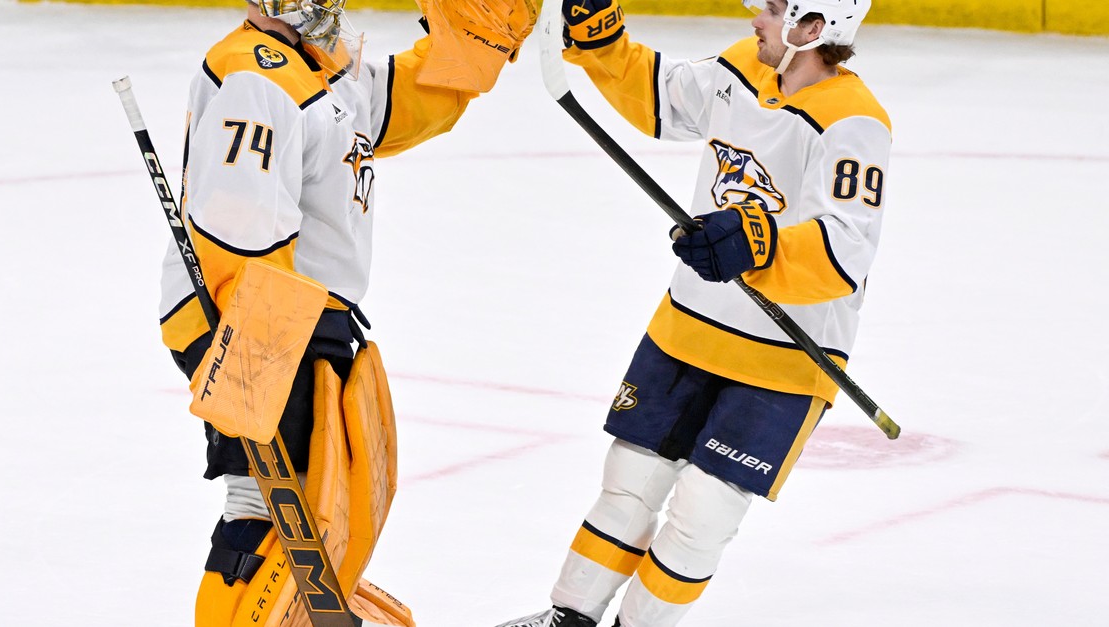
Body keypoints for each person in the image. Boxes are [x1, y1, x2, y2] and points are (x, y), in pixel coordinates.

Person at [498, 0, 889, 625]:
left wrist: (759, 243)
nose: (755, 16)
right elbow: (661, 98)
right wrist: (601, 40)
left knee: (702, 515)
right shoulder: (741, 67)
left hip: (786, 359)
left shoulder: (856, 123)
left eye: (774, 8)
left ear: (814, 27)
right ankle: (568, 618)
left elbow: (846, 248)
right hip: (687, 327)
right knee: (628, 485)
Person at [155, 1, 536, 625]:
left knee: (316, 506)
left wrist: (474, 44)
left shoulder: (321, 62)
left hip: (300, 314)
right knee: (264, 509)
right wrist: (257, 360)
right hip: (251, 318)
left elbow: (404, 103)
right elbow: (240, 233)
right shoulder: (255, 75)